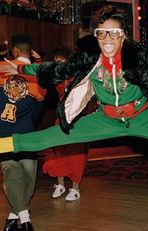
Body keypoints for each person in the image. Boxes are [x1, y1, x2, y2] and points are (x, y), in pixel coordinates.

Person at [0, 4, 148, 205]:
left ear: (123, 35)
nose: (108, 39)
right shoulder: (89, 59)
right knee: (55, 135)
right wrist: (20, 68)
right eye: (102, 33)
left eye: (114, 33)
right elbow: (52, 70)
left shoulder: (140, 56)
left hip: (144, 117)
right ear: (96, 36)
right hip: (106, 118)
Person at [0, 34, 46, 231]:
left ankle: (15, 218)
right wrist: (39, 62)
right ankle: (25, 220)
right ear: (30, 50)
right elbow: (37, 113)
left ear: (15, 50)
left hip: (3, 134)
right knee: (28, 176)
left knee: (13, 176)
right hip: (27, 133)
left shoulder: (1, 70)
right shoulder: (39, 78)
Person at [41, 45, 88, 201]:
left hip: (78, 118)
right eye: (56, 61)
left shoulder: (78, 76)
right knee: (58, 151)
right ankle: (60, 184)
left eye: (62, 61)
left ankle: (75, 187)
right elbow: (41, 74)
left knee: (76, 153)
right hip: (61, 117)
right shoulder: (56, 76)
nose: (59, 65)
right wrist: (38, 60)